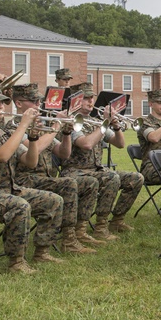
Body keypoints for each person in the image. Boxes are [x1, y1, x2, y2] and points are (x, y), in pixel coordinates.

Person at [0, 84, 64, 273]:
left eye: (2, 103)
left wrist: (32, 139)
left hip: (7, 188)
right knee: (19, 206)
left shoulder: (4, 133)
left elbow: (30, 162)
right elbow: (1, 155)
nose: (1, 107)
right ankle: (16, 262)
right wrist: (23, 125)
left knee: (53, 201)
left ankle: (42, 252)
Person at [8, 83, 99, 254]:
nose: (38, 105)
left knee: (88, 183)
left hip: (43, 178)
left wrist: (65, 134)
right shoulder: (13, 127)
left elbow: (63, 154)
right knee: (68, 185)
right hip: (23, 179)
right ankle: (59, 243)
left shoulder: (42, 125)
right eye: (33, 101)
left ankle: (74, 234)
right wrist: (56, 126)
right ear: (18, 103)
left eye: (39, 101)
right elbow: (34, 149)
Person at [60, 82, 143, 241]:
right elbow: (86, 144)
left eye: (92, 98)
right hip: (74, 171)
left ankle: (117, 220)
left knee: (136, 178)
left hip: (96, 169)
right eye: (86, 98)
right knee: (111, 178)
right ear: (76, 100)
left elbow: (120, 144)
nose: (91, 102)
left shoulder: (94, 121)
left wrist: (116, 126)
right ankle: (96, 228)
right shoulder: (70, 121)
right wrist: (104, 124)